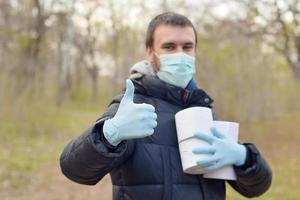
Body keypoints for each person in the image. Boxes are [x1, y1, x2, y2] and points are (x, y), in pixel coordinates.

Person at [60, 12, 272, 200]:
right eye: (169, 47)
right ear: (150, 53)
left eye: (187, 47)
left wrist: (243, 157)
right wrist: (108, 134)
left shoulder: (204, 109)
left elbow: (256, 188)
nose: (180, 54)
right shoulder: (132, 108)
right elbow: (74, 169)